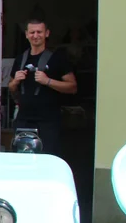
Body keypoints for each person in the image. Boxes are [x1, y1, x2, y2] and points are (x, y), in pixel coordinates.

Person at [8, 18, 77, 156]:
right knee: (22, 158)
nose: (35, 35)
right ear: (27, 34)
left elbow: (72, 87)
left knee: (47, 158)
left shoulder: (57, 58)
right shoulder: (20, 59)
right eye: (32, 32)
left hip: (48, 121)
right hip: (24, 119)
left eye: (39, 32)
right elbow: (11, 89)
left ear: (47, 33)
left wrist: (48, 81)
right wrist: (15, 82)